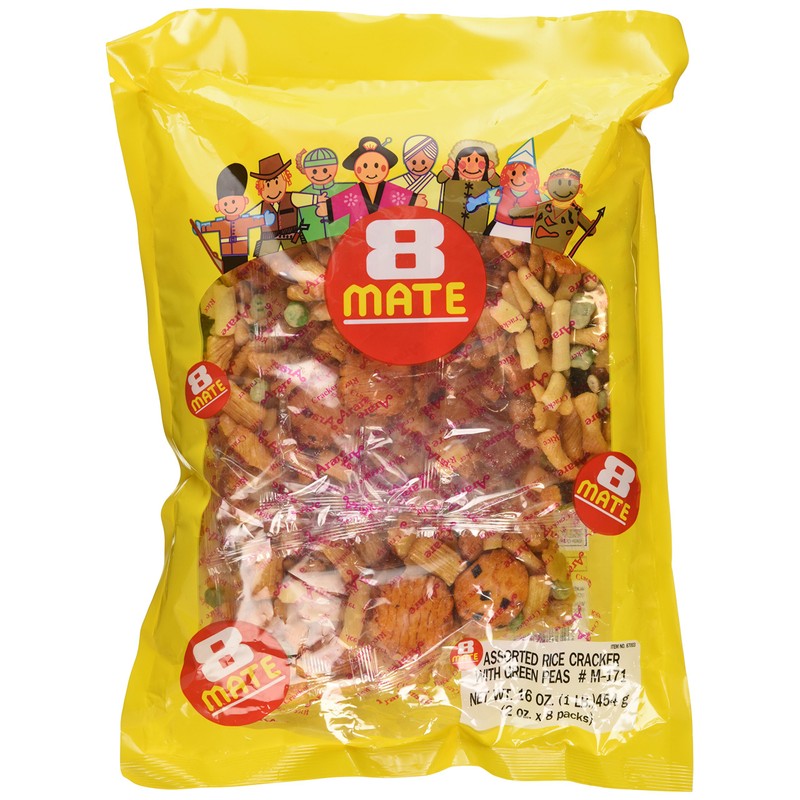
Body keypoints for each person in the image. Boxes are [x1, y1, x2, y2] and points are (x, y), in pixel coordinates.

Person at [316, 136, 427, 227]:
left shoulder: (390, 190)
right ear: (356, 169)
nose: (371, 171)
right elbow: (337, 206)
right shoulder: (353, 193)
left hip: (388, 236)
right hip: (358, 238)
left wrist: (414, 200)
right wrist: (326, 208)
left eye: (376, 165)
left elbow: (405, 199)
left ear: (386, 167)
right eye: (365, 166)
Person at [192, 163, 272, 273]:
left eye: (234, 201)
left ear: (245, 201)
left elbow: (253, 221)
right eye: (225, 204)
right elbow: (210, 226)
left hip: (242, 254)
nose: (230, 206)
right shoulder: (221, 224)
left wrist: (264, 220)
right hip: (227, 255)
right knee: (229, 273)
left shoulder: (244, 221)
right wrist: (201, 228)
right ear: (218, 207)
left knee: (245, 272)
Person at [465, 138, 542, 243]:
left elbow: (547, 206)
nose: (517, 178)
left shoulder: (535, 195)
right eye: (513, 173)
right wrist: (476, 202)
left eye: (524, 174)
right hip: (501, 225)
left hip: (524, 229)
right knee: (491, 242)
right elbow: (488, 196)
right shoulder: (502, 192)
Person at [509, 168, 598, 253]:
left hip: (556, 254)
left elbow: (590, 230)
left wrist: (516, 212)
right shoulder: (545, 207)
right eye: (558, 183)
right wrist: (516, 212)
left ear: (579, 188)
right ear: (546, 186)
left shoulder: (575, 213)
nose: (562, 188)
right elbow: (527, 211)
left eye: (569, 183)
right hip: (536, 249)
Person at [250, 153, 319, 255]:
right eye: (267, 185)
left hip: (291, 237)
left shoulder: (291, 198)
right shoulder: (261, 206)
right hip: (268, 239)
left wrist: (318, 198)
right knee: (264, 259)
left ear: (286, 179)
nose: (273, 189)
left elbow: (306, 199)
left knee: (300, 253)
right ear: (260, 187)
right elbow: (249, 215)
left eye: (277, 182)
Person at [436, 139, 500, 234]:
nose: (472, 166)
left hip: (477, 229)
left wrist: (491, 176)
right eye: (467, 161)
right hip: (449, 226)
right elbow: (440, 179)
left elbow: (499, 184)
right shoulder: (451, 177)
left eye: (478, 162)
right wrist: (447, 171)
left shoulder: (487, 181)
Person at [294, 147, 353, 241]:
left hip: (348, 240)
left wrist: (332, 211)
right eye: (314, 171)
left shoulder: (348, 189)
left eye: (325, 170)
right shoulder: (303, 195)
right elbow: (300, 220)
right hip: (312, 241)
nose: (320, 175)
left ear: (336, 168)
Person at [390, 134, 439, 207]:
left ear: (433, 160)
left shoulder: (438, 183)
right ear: (405, 161)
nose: (419, 166)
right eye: (414, 162)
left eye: (423, 162)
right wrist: (411, 201)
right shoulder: (393, 183)